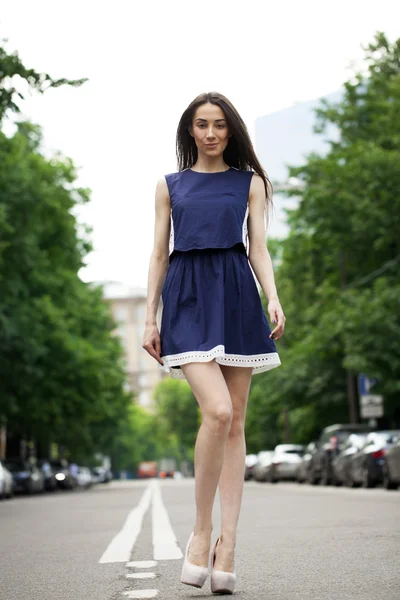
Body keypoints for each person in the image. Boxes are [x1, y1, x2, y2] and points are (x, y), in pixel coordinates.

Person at [142, 91, 285, 594]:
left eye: (219, 124)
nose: (210, 133)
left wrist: (273, 297)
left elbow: (259, 247)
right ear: (189, 131)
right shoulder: (169, 185)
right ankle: (201, 533)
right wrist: (148, 319)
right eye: (201, 124)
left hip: (236, 292)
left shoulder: (250, 184)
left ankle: (230, 541)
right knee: (218, 411)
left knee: (236, 419)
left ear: (230, 131)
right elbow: (159, 254)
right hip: (186, 297)